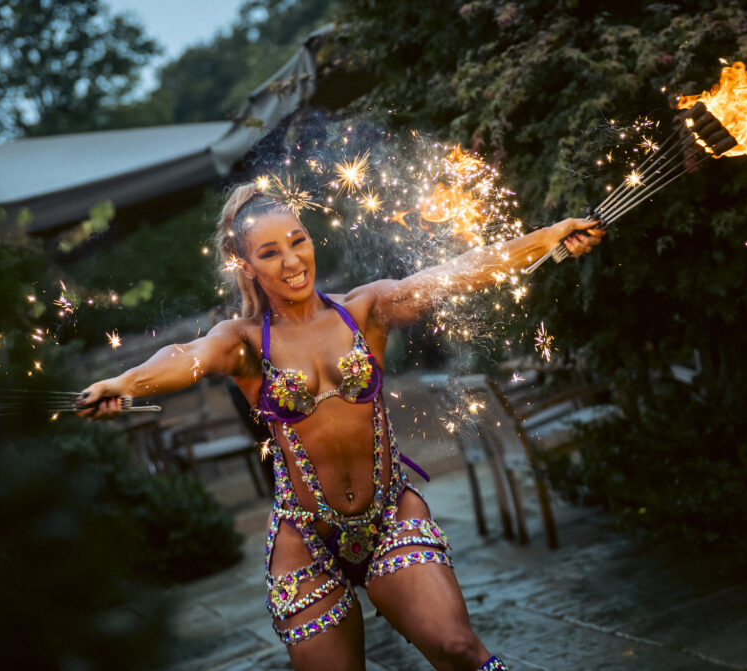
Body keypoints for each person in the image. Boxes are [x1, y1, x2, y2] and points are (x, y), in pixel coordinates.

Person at [78, 182, 604, 670]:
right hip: (305, 538)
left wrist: (550, 239)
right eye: (269, 253)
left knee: (459, 648)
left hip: (389, 515)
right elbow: (184, 355)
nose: (291, 261)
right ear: (245, 265)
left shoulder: (366, 310)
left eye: (297, 241)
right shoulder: (242, 341)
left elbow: (458, 272)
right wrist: (125, 383)